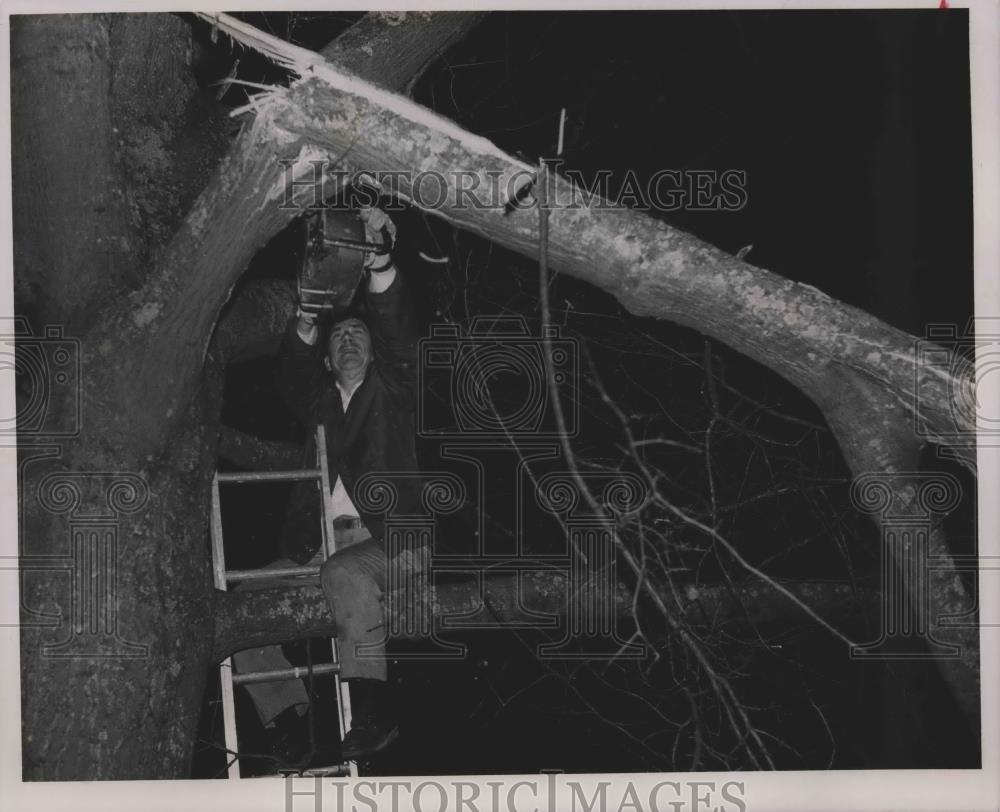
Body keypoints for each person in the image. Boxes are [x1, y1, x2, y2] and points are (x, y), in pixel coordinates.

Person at [233, 205, 426, 763]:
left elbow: (398, 329)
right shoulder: (319, 406)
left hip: (391, 544)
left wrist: (380, 260)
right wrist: (310, 319)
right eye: (339, 338)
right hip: (318, 551)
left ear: (373, 350)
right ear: (328, 357)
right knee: (243, 605)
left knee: (344, 572)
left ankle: (373, 707)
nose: (347, 343)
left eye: (357, 335)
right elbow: (290, 374)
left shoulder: (393, 390)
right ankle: (287, 721)